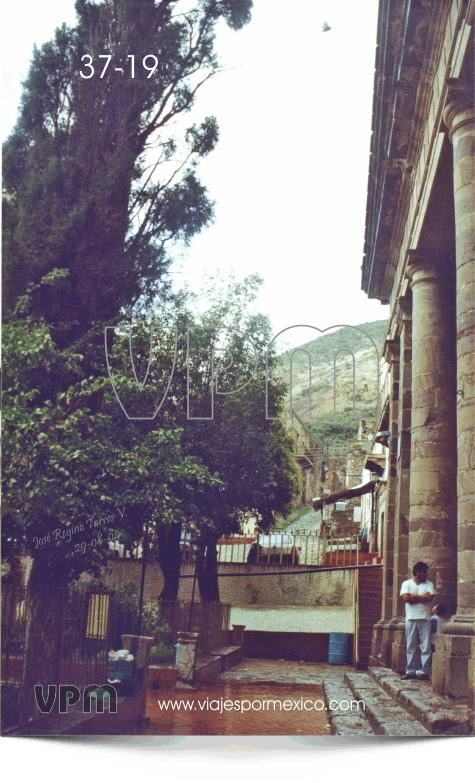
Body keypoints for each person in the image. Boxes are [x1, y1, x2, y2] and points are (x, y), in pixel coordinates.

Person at [400, 561, 434, 680]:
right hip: (411, 618)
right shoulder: (406, 583)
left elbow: (429, 598)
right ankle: (410, 671)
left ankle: (424, 671)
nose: (426, 574)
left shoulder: (429, 584)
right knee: (411, 646)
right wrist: (422, 597)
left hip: (425, 618)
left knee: (426, 646)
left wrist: (413, 596)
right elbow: (405, 599)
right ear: (417, 572)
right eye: (424, 572)